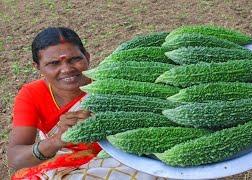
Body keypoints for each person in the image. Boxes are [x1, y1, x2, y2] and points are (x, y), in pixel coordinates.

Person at [8, 27, 167, 180]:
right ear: (38, 67)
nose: (66, 69)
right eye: (54, 63)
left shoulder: (112, 84)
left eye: (75, 59)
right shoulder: (31, 94)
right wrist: (57, 140)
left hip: (118, 159)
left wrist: (104, 124)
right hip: (62, 161)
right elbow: (16, 159)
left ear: (87, 57)